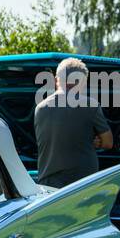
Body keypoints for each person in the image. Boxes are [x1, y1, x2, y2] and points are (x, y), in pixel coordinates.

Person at [34, 57, 114, 188]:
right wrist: (95, 141)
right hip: (83, 184)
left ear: (56, 80)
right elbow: (108, 143)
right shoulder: (90, 105)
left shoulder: (40, 108)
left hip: (49, 186)